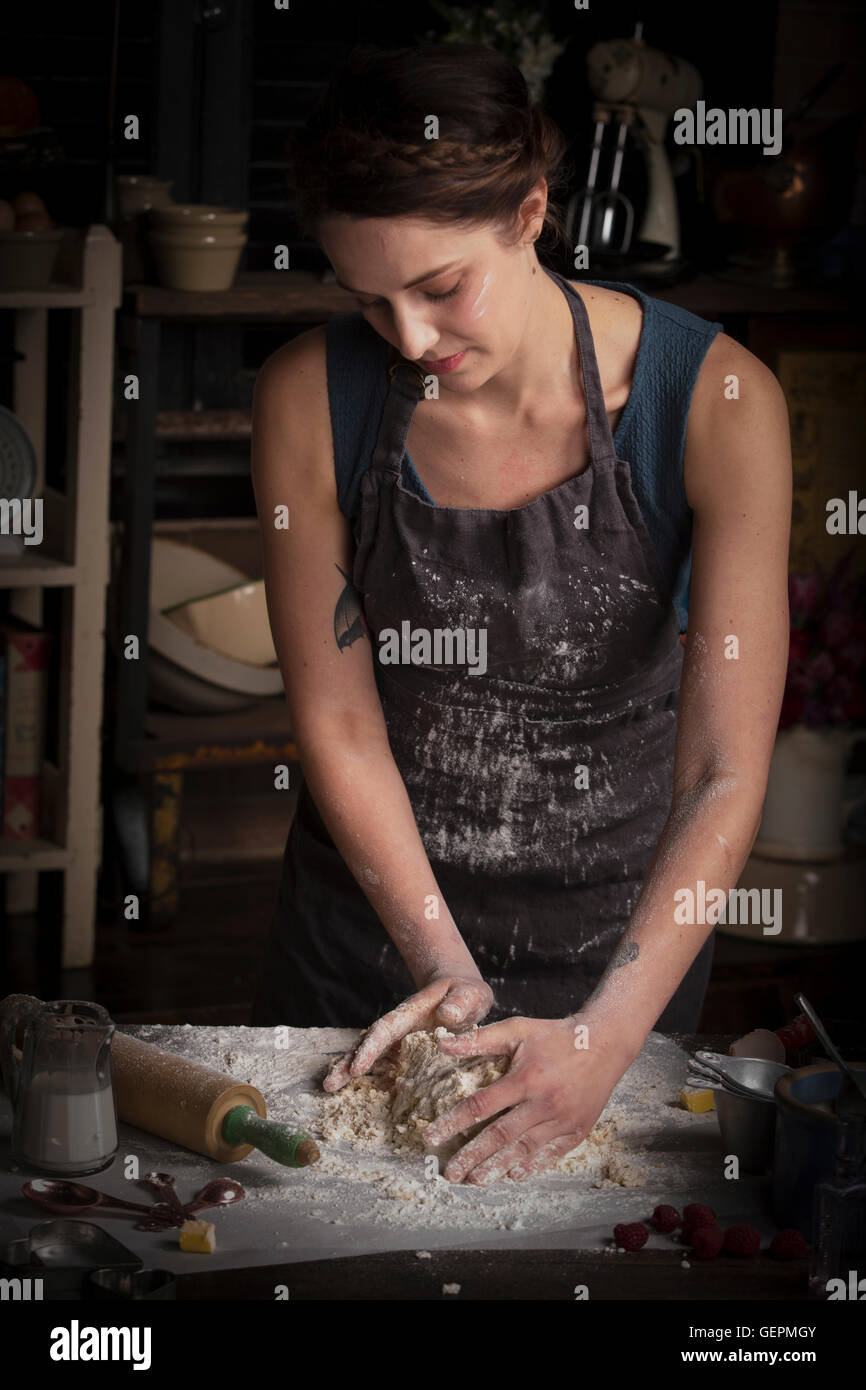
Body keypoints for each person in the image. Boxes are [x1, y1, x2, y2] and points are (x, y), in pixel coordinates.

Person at [249, 44, 792, 1185]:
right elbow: (340, 730)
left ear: (531, 213)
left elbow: (724, 773)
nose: (406, 338)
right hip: (372, 960)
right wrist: (444, 979)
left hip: (618, 957)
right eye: (366, 299)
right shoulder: (308, 396)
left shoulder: (716, 401)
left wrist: (605, 1032)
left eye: (440, 286)